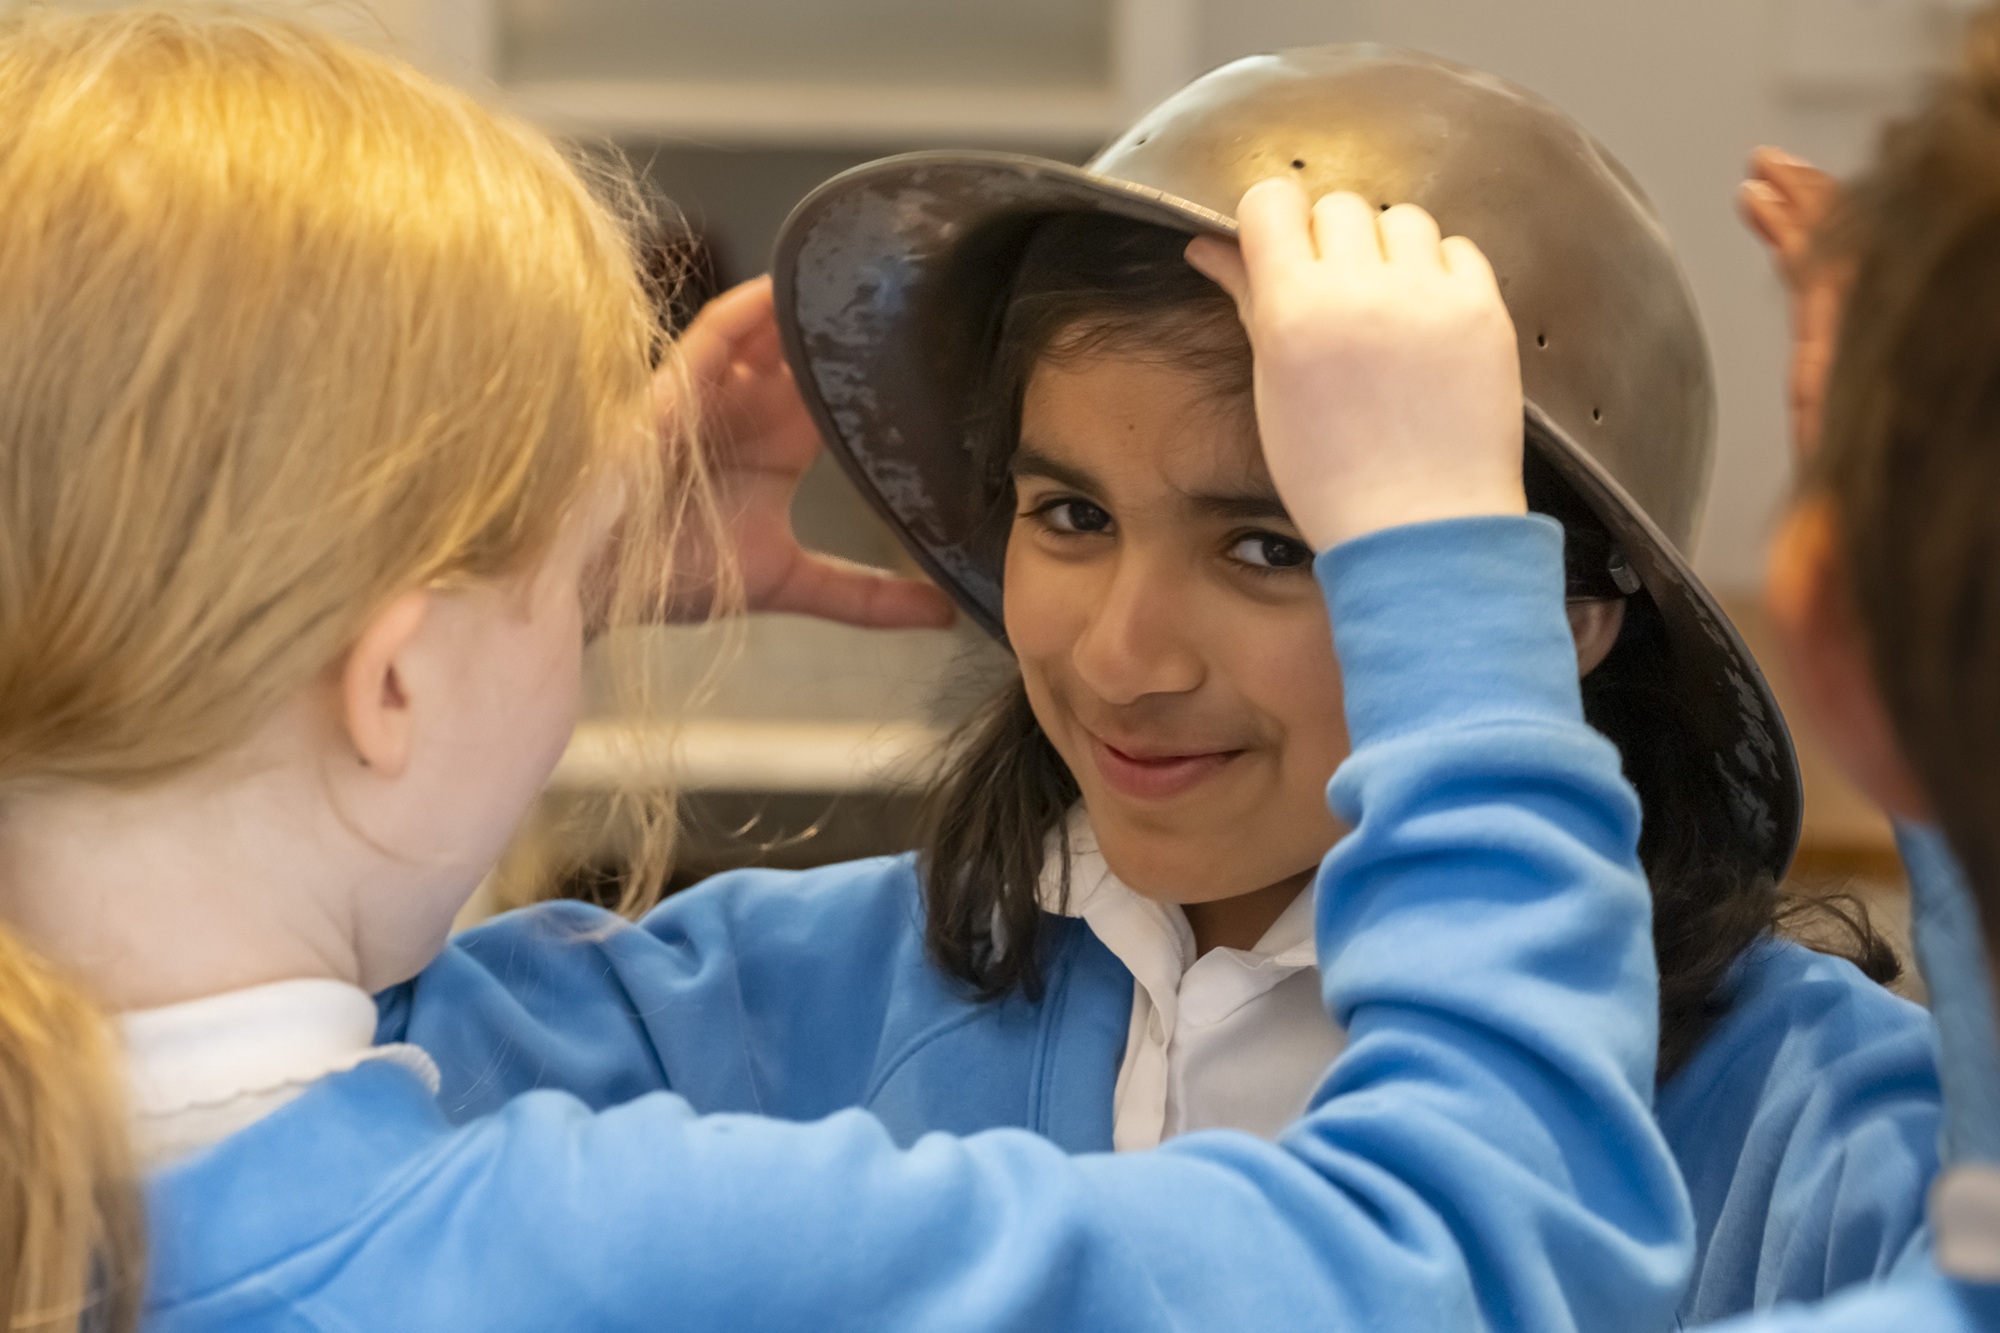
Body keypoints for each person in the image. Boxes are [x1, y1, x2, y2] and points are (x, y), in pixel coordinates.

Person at [0, 7, 1688, 1331]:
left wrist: (500, 594)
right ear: (390, 687)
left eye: (1272, 544)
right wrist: (1438, 561)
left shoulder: (93, 1173)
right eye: (563, 582)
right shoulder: (610, 1246)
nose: (1125, 653)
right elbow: (1489, 1249)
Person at [398, 47, 1936, 1326]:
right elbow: (282, 1109)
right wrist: (526, 595)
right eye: (1070, 515)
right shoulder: (787, 1007)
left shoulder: (1793, 1114)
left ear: (1560, 617)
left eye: (1275, 546)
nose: (1125, 657)